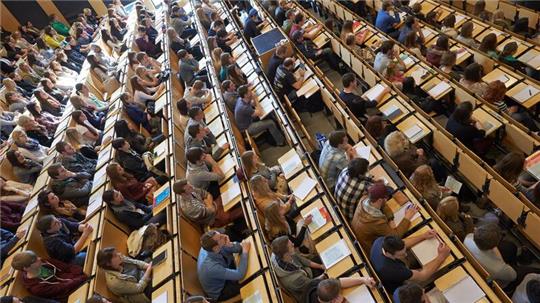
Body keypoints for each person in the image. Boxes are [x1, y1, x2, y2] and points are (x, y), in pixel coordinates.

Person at [370, 234, 451, 294]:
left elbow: (403, 243)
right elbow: (423, 275)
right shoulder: (394, 270)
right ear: (388, 254)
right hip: (400, 288)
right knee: (443, 269)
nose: (405, 255)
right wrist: (441, 256)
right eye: (401, 254)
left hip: (392, 270)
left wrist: (423, 236)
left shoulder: (380, 242)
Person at [352, 182, 416, 251]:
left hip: (360, 237)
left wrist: (390, 219)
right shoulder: (376, 222)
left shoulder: (364, 199)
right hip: (371, 248)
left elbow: (383, 205)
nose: (386, 200)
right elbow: (395, 237)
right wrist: (407, 217)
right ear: (379, 200)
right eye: (386, 198)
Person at [11, 250, 87, 300]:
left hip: (73, 278)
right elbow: (63, 288)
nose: (39, 258)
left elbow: (66, 267)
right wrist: (82, 277)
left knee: (83, 257)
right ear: (26, 268)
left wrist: (80, 273)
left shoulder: (43, 262)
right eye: (35, 260)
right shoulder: (37, 288)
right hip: (68, 292)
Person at [197, 230, 251, 301]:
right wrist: (245, 252)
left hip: (223, 270)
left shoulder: (214, 246)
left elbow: (239, 248)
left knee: (246, 263)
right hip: (222, 290)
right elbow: (240, 274)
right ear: (216, 248)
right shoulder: (211, 267)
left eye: (220, 234)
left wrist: (230, 244)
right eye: (220, 237)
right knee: (249, 280)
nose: (224, 236)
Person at [270, 236, 325, 301]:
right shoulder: (294, 280)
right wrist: (325, 274)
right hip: (309, 291)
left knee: (322, 257)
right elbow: (312, 284)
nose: (293, 244)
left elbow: (303, 260)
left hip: (306, 272)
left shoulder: (281, 254)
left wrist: (320, 266)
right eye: (291, 246)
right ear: (286, 254)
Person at [463, 223, 517, 288]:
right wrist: (501, 261)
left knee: (510, 247)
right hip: (495, 281)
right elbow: (513, 276)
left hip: (476, 266)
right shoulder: (500, 268)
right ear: (495, 245)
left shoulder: (468, 237)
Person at [173, 179, 243, 228]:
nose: (191, 186)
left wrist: (207, 203)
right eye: (188, 188)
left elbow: (207, 194)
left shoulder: (190, 188)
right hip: (214, 219)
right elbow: (212, 211)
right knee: (241, 210)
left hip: (214, 205)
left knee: (233, 192)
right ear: (183, 194)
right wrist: (208, 202)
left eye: (189, 184)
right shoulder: (190, 208)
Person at [305, 276, 376, 303]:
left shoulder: (317, 284)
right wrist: (344, 302)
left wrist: (363, 280)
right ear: (333, 300)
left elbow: (340, 282)